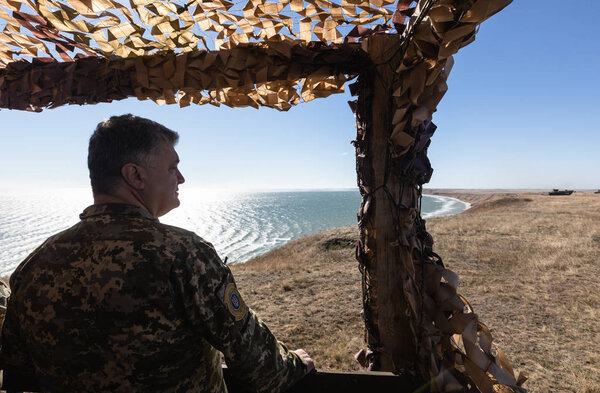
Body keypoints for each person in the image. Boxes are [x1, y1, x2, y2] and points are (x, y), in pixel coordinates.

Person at [0, 114, 314, 393]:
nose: (180, 178)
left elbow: (18, 374)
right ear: (135, 176)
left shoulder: (35, 265)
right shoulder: (185, 255)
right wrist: (296, 364)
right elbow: (259, 363)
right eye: (172, 167)